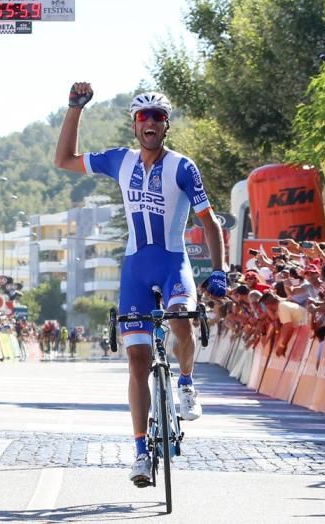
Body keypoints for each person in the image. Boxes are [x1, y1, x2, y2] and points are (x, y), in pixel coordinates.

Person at [54, 83, 227, 487]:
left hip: (172, 265)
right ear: (134, 125)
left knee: (182, 319)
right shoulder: (119, 161)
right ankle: (140, 453)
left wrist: (219, 270)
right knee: (136, 361)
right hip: (134, 268)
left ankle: (185, 381)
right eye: (142, 117)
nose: (150, 122)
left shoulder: (183, 167)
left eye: (158, 117)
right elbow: (63, 160)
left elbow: (209, 222)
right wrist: (74, 109)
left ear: (166, 126)